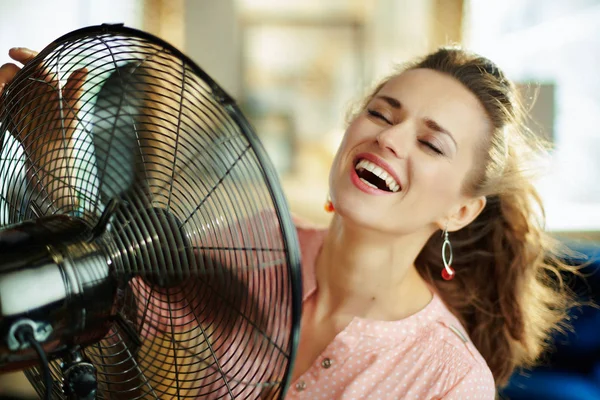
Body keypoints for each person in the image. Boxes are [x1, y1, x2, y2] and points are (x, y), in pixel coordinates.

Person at [0, 45, 579, 399]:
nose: (389, 136)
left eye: (431, 144)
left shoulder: (447, 379)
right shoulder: (248, 244)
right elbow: (109, 308)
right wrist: (53, 163)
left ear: (460, 209)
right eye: (381, 112)